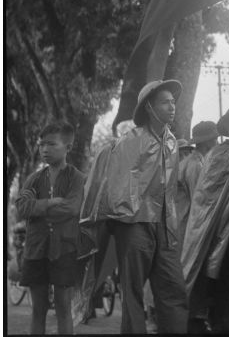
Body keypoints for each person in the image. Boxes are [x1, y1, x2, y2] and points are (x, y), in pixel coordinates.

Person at [80, 79, 189, 334]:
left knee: (174, 289)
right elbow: (116, 184)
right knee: (133, 293)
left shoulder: (173, 142)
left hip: (165, 226)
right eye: (165, 102)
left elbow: (170, 189)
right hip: (134, 224)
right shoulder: (131, 140)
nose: (172, 106)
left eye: (173, 102)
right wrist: (130, 216)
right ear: (149, 107)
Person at [181, 106, 229, 334]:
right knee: (224, 276)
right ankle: (219, 323)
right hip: (222, 228)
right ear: (228, 127)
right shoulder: (217, 155)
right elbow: (206, 194)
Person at [16, 121, 86, 335]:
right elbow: (21, 207)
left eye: (51, 144)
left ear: (68, 147)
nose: (44, 149)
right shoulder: (33, 179)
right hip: (36, 249)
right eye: (41, 144)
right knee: (38, 308)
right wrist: (48, 203)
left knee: (64, 307)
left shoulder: (77, 178)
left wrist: (36, 207)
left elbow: (72, 208)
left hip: (64, 249)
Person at [176, 123, 218, 252]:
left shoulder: (198, 161)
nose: (217, 143)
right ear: (207, 142)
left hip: (185, 221)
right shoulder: (195, 164)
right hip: (186, 222)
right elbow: (197, 199)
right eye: (214, 139)